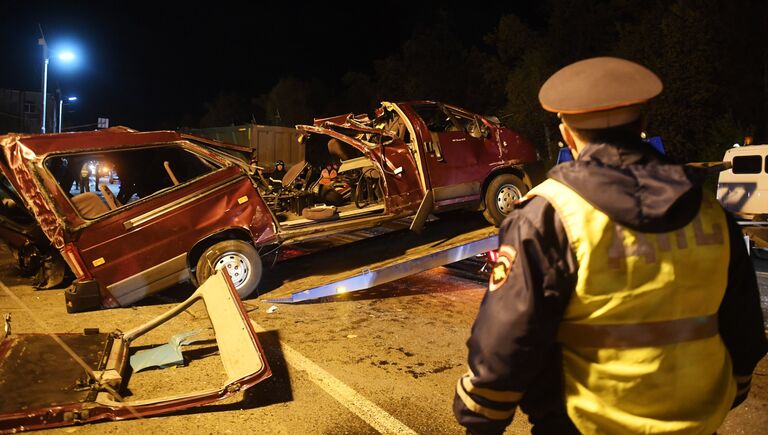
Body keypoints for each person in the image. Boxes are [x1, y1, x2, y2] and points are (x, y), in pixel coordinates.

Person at [453, 57, 768, 434]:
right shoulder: (707, 209)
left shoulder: (549, 214)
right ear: (643, 124)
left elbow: (505, 343)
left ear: (567, 134)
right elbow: (744, 327)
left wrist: (479, 415)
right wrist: (723, 393)